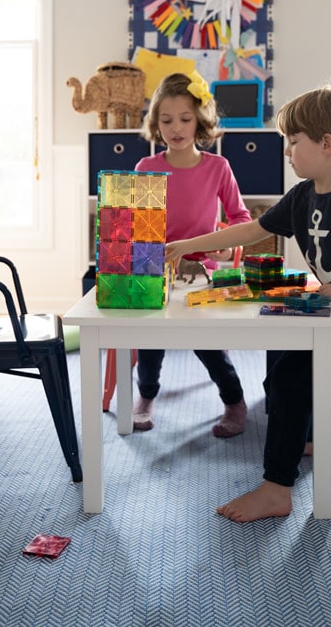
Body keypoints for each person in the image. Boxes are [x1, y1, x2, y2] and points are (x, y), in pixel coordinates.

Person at [165, 78, 331, 522]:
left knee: (293, 377)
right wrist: (187, 243)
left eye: (293, 141)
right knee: (281, 365)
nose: (286, 151)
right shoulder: (302, 196)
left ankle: (277, 488)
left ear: (327, 144)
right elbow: (251, 230)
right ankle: (301, 435)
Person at [133, 71, 252, 437]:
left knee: (209, 345)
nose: (176, 128)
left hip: (203, 274)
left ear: (199, 121)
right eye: (166, 120)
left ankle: (234, 402)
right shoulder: (146, 168)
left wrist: (228, 243)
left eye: (185, 119)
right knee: (149, 344)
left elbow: (241, 217)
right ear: (156, 124)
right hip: (155, 270)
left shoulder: (218, 167)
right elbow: (137, 227)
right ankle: (146, 397)